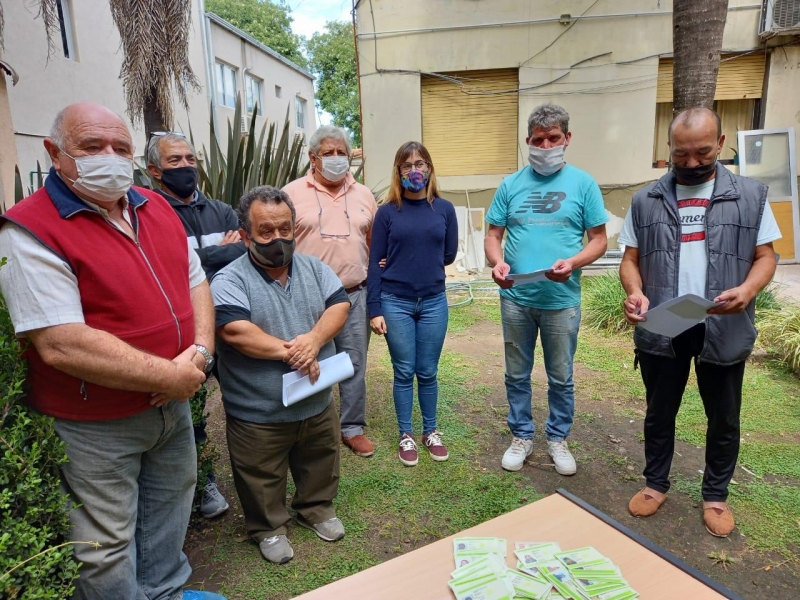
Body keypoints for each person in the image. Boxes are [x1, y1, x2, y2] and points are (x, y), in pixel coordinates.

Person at [0, 103, 224, 600]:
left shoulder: (155, 205)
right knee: (104, 545)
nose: (111, 157)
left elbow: (196, 282)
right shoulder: (29, 228)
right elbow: (61, 343)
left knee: (169, 511)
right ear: (55, 154)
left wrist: (202, 352)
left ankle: (165, 592)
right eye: (92, 147)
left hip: (174, 401)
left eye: (120, 148)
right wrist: (169, 377)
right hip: (95, 424)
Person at [619, 107, 780, 538]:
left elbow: (767, 256)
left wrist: (747, 291)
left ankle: (715, 495)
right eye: (681, 154)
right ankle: (655, 484)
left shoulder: (751, 195)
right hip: (666, 322)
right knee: (659, 411)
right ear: (669, 150)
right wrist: (634, 292)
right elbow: (630, 259)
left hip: (723, 321)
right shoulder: (645, 199)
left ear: (721, 142)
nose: (692, 162)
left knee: (723, 416)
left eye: (702, 152)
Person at [210, 185, 350, 564]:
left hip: (315, 397)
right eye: (266, 231)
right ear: (245, 235)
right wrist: (297, 353)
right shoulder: (229, 279)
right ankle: (268, 527)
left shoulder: (314, 268)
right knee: (260, 472)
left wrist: (314, 338)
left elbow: (339, 306)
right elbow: (234, 330)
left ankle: (316, 508)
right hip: (259, 408)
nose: (278, 239)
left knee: (319, 456)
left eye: (285, 229)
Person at [485, 103, 608, 475]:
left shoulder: (583, 184)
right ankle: (521, 435)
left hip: (561, 301)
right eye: (538, 140)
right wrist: (497, 262)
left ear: (567, 139)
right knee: (516, 374)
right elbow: (493, 235)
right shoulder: (511, 184)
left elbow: (599, 239)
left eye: (553, 138)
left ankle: (557, 438)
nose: (545, 145)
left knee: (561, 376)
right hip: (516, 300)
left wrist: (573, 263)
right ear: (528, 142)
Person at [147, 132, 245, 520]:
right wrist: (220, 251)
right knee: (193, 411)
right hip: (187, 334)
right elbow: (163, 267)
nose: (186, 166)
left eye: (190, 158)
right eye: (175, 161)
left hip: (231, 322)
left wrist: (194, 257)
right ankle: (202, 483)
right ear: (155, 170)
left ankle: (250, 469)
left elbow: (244, 253)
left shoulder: (220, 209)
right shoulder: (151, 212)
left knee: (242, 401)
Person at [283, 125, 378, 458]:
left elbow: (372, 245)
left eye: (342, 152)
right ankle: (308, 426)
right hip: (309, 297)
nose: (336, 159)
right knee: (310, 360)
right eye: (329, 152)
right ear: (313, 157)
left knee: (354, 362)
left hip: (355, 294)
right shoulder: (291, 193)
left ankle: (352, 427)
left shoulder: (365, 195)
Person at [368, 141, 458, 466]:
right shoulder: (387, 212)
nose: (414, 170)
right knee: (404, 371)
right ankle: (406, 433)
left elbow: (448, 254)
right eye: (407, 166)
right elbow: (374, 260)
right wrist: (374, 309)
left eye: (420, 164)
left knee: (429, 371)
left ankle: (430, 431)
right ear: (398, 171)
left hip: (434, 301)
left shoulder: (445, 209)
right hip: (396, 302)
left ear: (430, 168)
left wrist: (414, 259)